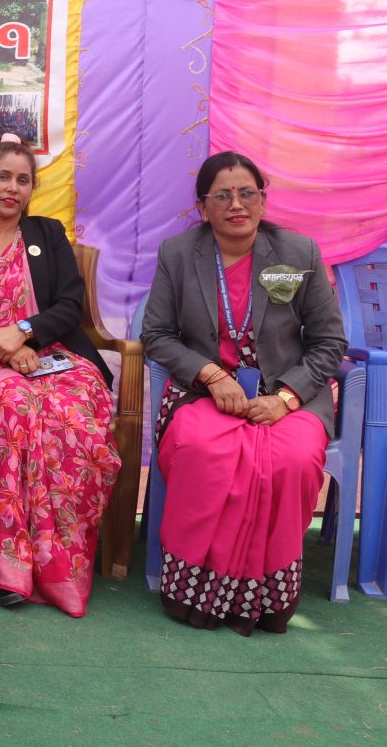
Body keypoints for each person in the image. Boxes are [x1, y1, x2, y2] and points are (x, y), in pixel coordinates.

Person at [141, 151, 345, 635]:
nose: (237, 204)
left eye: (247, 192)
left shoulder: (298, 253)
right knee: (201, 449)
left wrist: (286, 398)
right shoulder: (178, 253)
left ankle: (268, 598)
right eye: (223, 195)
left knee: (290, 460)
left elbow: (329, 341)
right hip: (204, 394)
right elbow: (157, 335)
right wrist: (211, 374)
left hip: (287, 397)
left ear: (262, 200)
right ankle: (196, 593)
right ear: (203, 207)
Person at [0, 135, 121, 615]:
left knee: (71, 419)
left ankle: (62, 565)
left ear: (32, 188)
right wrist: (3, 347)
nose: (12, 188)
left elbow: (70, 305)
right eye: (2, 177)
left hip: (60, 359)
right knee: (15, 407)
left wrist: (25, 332)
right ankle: (9, 566)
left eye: (23, 180)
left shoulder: (48, 234)